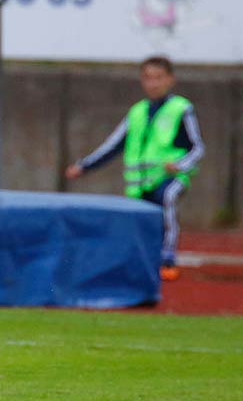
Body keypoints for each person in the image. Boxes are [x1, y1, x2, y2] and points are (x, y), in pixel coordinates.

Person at [65, 55, 203, 283]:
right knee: (140, 220)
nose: (154, 83)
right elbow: (113, 144)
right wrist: (84, 166)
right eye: (148, 78)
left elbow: (198, 147)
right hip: (140, 183)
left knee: (167, 199)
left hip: (170, 177)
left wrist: (179, 165)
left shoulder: (181, 109)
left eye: (159, 78)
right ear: (142, 81)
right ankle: (143, 262)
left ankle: (168, 258)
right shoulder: (137, 112)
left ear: (170, 80)